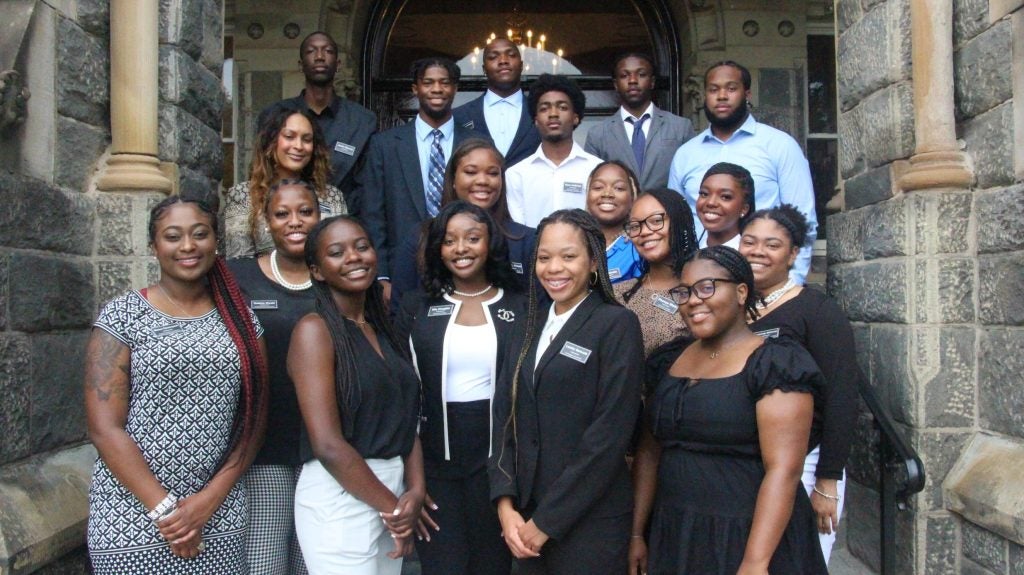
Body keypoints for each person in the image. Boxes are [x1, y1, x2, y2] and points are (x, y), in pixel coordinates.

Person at [86, 197, 268, 573]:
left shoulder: (241, 319)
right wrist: (168, 511)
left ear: (215, 242)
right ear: (154, 246)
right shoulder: (122, 316)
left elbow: (255, 417)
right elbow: (104, 427)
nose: (188, 246)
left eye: (200, 234)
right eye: (173, 236)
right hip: (133, 514)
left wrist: (209, 501)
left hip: (216, 512)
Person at [629, 246, 828, 575]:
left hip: (747, 535)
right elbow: (649, 451)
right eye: (684, 291)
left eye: (707, 287)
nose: (693, 300)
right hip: (676, 532)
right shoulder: (667, 362)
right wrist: (637, 532)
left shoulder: (776, 364)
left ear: (740, 292)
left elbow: (784, 470)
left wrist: (755, 562)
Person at [490, 209, 644, 574]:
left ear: (593, 262)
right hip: (523, 521)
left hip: (590, 522)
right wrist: (505, 505)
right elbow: (504, 419)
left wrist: (546, 523)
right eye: (544, 258)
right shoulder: (528, 326)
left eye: (568, 256)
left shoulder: (617, 324)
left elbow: (609, 436)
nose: (554, 268)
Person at [395, 201, 526, 575]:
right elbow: (404, 389)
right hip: (434, 463)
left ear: (491, 243)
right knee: (443, 565)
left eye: (472, 238)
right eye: (450, 241)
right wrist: (413, 478)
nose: (461, 249)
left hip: (498, 463)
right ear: (438, 248)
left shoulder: (520, 304)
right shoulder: (417, 305)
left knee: (492, 565)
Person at [288, 216, 424, 574]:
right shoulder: (314, 331)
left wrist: (416, 490)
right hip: (341, 496)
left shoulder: (382, 329)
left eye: (362, 246)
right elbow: (327, 445)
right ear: (317, 271)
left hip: (390, 492)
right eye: (337, 252)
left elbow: (407, 418)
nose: (354, 257)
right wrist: (395, 509)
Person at [740, 204, 858, 564]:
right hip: (750, 464)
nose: (758, 251)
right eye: (749, 241)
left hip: (805, 463)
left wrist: (827, 481)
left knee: (801, 561)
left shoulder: (817, 311)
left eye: (772, 245)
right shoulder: (732, 309)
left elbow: (841, 395)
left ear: (793, 254)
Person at [228, 180, 322, 574]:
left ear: (320, 216)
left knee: (312, 562)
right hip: (266, 446)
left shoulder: (338, 273)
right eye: (282, 214)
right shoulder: (236, 277)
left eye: (305, 211)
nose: (294, 222)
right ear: (266, 221)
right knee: (264, 562)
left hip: (324, 448)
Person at [667, 60, 817, 284]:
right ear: (704, 95)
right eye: (713, 89)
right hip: (700, 281)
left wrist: (790, 283)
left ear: (747, 94)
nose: (722, 96)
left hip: (764, 280)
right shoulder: (685, 154)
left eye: (731, 88)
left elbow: (802, 220)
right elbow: (675, 224)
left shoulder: (780, 145)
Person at [352, 57, 482, 301]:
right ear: (415, 88)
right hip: (403, 272)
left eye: (444, 83)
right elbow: (373, 214)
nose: (436, 89)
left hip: (467, 267)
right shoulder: (385, 145)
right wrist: (381, 276)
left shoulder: (476, 143)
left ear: (455, 88)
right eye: (428, 82)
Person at [389, 138, 536, 304]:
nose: (482, 181)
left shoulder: (526, 239)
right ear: (452, 180)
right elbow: (400, 309)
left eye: (493, 173)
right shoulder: (422, 236)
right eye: (471, 172)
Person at [220, 107, 347, 259]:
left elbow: (341, 253)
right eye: (289, 136)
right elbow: (239, 262)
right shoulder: (243, 195)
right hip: (261, 281)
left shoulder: (331, 196)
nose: (299, 146)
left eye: (306, 139)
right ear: (271, 141)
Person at [258, 31, 376, 193]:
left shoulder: (362, 120)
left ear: (338, 64)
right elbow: (263, 170)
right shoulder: (274, 114)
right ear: (301, 65)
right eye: (311, 51)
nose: (320, 56)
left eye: (327, 51)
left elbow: (368, 182)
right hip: (285, 210)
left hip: (344, 212)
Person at [584, 52, 695, 191]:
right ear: (616, 84)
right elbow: (593, 186)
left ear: (652, 82)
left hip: (665, 211)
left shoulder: (680, 127)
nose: (632, 80)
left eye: (641, 74)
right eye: (624, 75)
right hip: (619, 212)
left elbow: (692, 180)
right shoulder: (598, 134)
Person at [506, 74, 603, 227]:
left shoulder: (597, 170)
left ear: (575, 117)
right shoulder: (516, 174)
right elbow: (520, 231)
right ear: (536, 120)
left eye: (562, 107)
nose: (553, 114)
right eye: (544, 108)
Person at [614, 188, 699, 356]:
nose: (644, 232)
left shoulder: (701, 293)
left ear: (679, 221)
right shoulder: (616, 293)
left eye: (655, 220)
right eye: (635, 226)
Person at [453, 38, 541, 167]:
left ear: (521, 65)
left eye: (511, 55)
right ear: (484, 69)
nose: (503, 61)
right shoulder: (459, 116)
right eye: (493, 57)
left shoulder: (541, 112)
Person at [585, 160, 642, 284]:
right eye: (598, 187)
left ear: (633, 197)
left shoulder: (640, 248)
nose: (607, 194)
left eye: (619, 188)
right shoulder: (575, 240)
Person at [696, 161, 756, 249]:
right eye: (704, 194)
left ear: (744, 208)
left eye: (725, 197)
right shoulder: (690, 253)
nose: (711, 202)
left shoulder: (749, 257)